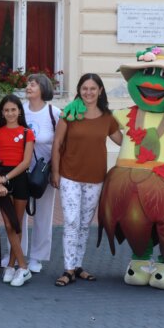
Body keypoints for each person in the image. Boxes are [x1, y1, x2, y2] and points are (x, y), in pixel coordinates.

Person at [50, 74, 121, 287]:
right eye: (84, 88)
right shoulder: (69, 114)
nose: (88, 92)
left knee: (84, 224)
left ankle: (78, 266)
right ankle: (68, 269)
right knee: (71, 221)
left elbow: (124, 142)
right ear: (79, 90)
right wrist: (55, 172)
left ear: (100, 91)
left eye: (93, 88)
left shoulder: (108, 117)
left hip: (96, 178)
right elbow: (57, 144)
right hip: (69, 176)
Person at [0, 95, 36, 287]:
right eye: (6, 110)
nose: (10, 113)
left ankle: (11, 265)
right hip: (0, 177)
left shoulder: (27, 133)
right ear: (2, 113)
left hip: (19, 178)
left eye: (13, 110)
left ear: (19, 111)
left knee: (17, 224)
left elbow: (26, 162)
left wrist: (6, 179)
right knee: (8, 224)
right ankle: (24, 267)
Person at [16, 73, 60, 274]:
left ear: (43, 88)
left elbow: (60, 144)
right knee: (19, 214)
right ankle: (18, 252)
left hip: (43, 172)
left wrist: (56, 171)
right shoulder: (19, 111)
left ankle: (37, 257)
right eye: (28, 84)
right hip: (20, 170)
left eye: (33, 84)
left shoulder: (54, 113)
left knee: (44, 213)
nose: (29, 87)